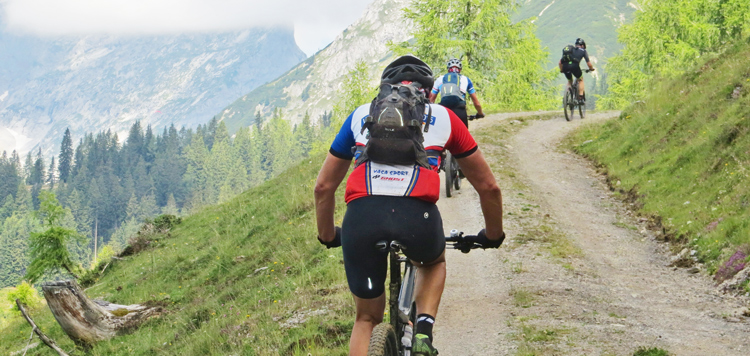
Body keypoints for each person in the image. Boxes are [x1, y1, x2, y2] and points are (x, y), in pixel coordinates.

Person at [314, 55, 505, 356]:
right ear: (429, 91)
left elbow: (323, 187)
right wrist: (493, 235)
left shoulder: (360, 114)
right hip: (418, 218)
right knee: (433, 263)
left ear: (384, 88)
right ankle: (423, 333)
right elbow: (488, 187)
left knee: (365, 318)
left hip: (362, 219)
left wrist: (327, 235)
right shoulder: (444, 117)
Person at [428, 58, 485, 128]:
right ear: (460, 69)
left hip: (445, 112)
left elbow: (431, 100)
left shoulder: (440, 79)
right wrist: (480, 113)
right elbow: (476, 103)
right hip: (460, 111)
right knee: (463, 138)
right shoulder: (466, 79)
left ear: (448, 69)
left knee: (444, 137)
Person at [559, 38, 595, 103]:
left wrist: (561, 70)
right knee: (580, 79)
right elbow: (589, 64)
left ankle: (566, 95)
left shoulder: (570, 51)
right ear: (583, 45)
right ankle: (580, 98)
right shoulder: (583, 51)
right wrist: (591, 69)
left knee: (570, 81)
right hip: (575, 67)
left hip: (565, 66)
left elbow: (560, 63)